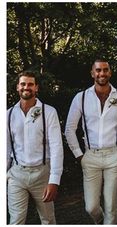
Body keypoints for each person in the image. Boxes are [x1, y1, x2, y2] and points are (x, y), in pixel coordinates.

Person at [65, 59, 117, 224]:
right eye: (98, 70)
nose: (102, 73)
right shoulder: (81, 97)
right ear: (92, 73)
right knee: (91, 207)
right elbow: (69, 129)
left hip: (114, 155)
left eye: (105, 70)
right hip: (90, 156)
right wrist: (80, 155)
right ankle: (100, 221)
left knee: (111, 205)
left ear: (110, 72)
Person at [7, 71, 64, 224]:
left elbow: (56, 147)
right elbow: (5, 149)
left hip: (42, 173)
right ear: (17, 87)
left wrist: (54, 180)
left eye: (30, 84)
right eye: (23, 84)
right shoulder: (8, 114)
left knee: (48, 219)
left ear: (36, 88)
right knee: (16, 221)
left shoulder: (49, 112)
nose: (27, 87)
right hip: (17, 174)